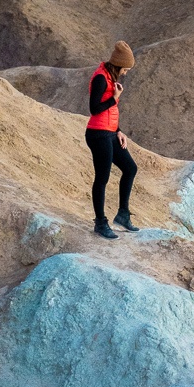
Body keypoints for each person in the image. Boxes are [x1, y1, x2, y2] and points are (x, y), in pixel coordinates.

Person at [85, 41, 140, 239]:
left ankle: (123, 215)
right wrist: (115, 97)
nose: (125, 73)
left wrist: (119, 130)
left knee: (130, 168)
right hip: (98, 134)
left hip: (109, 132)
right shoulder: (101, 78)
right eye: (125, 69)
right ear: (118, 65)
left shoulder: (110, 76)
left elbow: (109, 113)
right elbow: (94, 109)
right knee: (102, 178)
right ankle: (100, 223)